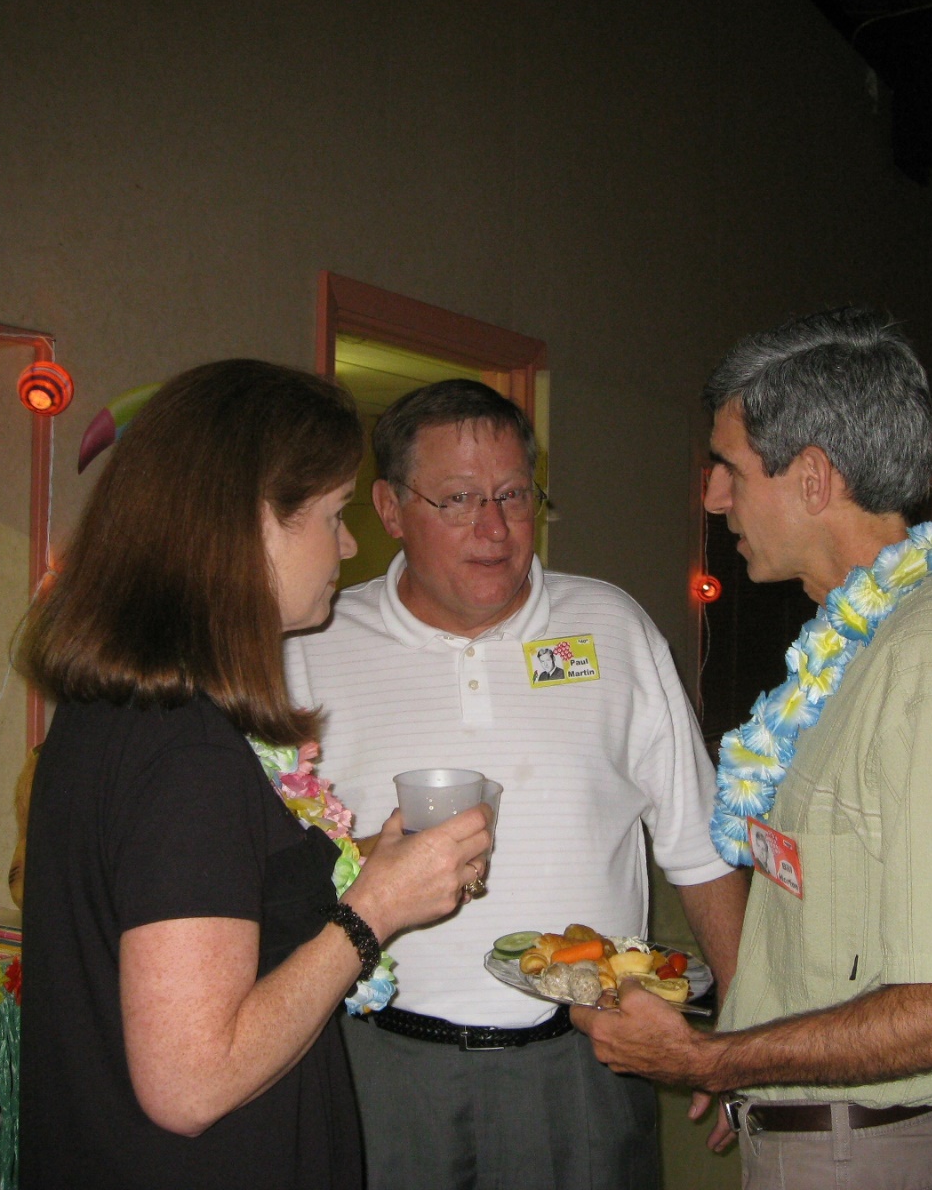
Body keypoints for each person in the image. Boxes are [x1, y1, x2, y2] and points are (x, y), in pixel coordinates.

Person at [573, 308, 932, 1190]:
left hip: (877, 1153)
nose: (714, 497)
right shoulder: (858, 647)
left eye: (728, 466)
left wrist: (712, 1062)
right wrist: (747, 1058)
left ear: (811, 478)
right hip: (831, 1137)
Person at [17, 360, 492, 1189]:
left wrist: (369, 871)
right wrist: (372, 912)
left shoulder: (115, 716)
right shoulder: (186, 756)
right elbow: (191, 1083)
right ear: (248, 524)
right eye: (335, 515)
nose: (348, 545)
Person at [282, 378, 748, 1190]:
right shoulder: (311, 645)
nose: (493, 529)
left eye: (512, 496)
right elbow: (268, 862)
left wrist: (745, 1032)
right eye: (459, 499)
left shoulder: (612, 627)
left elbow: (699, 845)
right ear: (389, 510)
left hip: (583, 1066)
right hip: (377, 1065)